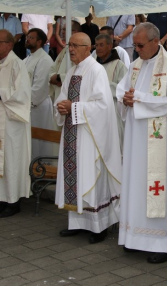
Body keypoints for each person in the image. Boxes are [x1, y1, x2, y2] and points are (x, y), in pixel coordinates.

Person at [116, 22, 167, 263]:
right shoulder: (134, 65)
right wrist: (124, 99)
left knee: (158, 187)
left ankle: (163, 242)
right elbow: (122, 90)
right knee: (136, 184)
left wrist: (140, 99)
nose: (136, 49)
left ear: (156, 41)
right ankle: (135, 236)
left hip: (161, 141)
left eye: (140, 45)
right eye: (134, 44)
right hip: (136, 139)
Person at [54, 32, 122, 243]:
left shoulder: (96, 70)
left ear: (87, 47)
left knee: (91, 177)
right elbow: (62, 97)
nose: (71, 49)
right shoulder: (72, 71)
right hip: (72, 134)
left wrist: (73, 107)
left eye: (75, 46)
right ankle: (77, 223)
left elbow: (102, 106)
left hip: (90, 136)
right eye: (69, 46)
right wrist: (61, 106)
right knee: (75, 179)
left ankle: (97, 226)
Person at [0, 29, 31, 218]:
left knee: (11, 160)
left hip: (11, 124)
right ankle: (2, 198)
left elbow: (22, 94)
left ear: (9, 45)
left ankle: (13, 201)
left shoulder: (17, 65)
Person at [24, 28, 56, 160]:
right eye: (27, 37)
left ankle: (41, 170)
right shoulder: (26, 59)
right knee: (29, 142)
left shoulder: (45, 59)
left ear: (39, 42)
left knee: (39, 142)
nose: (27, 39)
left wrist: (22, 100)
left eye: (31, 37)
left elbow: (39, 87)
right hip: (26, 105)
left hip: (38, 106)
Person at [94, 33, 128, 148]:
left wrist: (101, 85)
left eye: (101, 45)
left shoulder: (119, 65)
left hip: (112, 110)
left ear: (110, 46)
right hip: (94, 111)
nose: (98, 48)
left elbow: (123, 90)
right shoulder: (92, 64)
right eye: (96, 45)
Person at [49, 22, 81, 105]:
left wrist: (60, 78)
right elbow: (53, 67)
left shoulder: (80, 50)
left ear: (75, 32)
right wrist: (52, 77)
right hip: (58, 90)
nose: (62, 32)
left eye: (64, 30)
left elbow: (80, 72)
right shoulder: (65, 49)